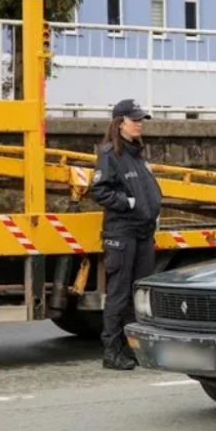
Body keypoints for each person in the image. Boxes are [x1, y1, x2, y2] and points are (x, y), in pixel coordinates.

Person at [91, 99, 162, 371]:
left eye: (141, 119)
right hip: (122, 232)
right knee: (119, 294)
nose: (139, 124)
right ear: (120, 122)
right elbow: (99, 191)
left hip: (143, 232)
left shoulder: (136, 153)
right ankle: (112, 351)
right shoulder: (110, 154)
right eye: (135, 120)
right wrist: (128, 203)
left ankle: (131, 348)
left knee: (137, 292)